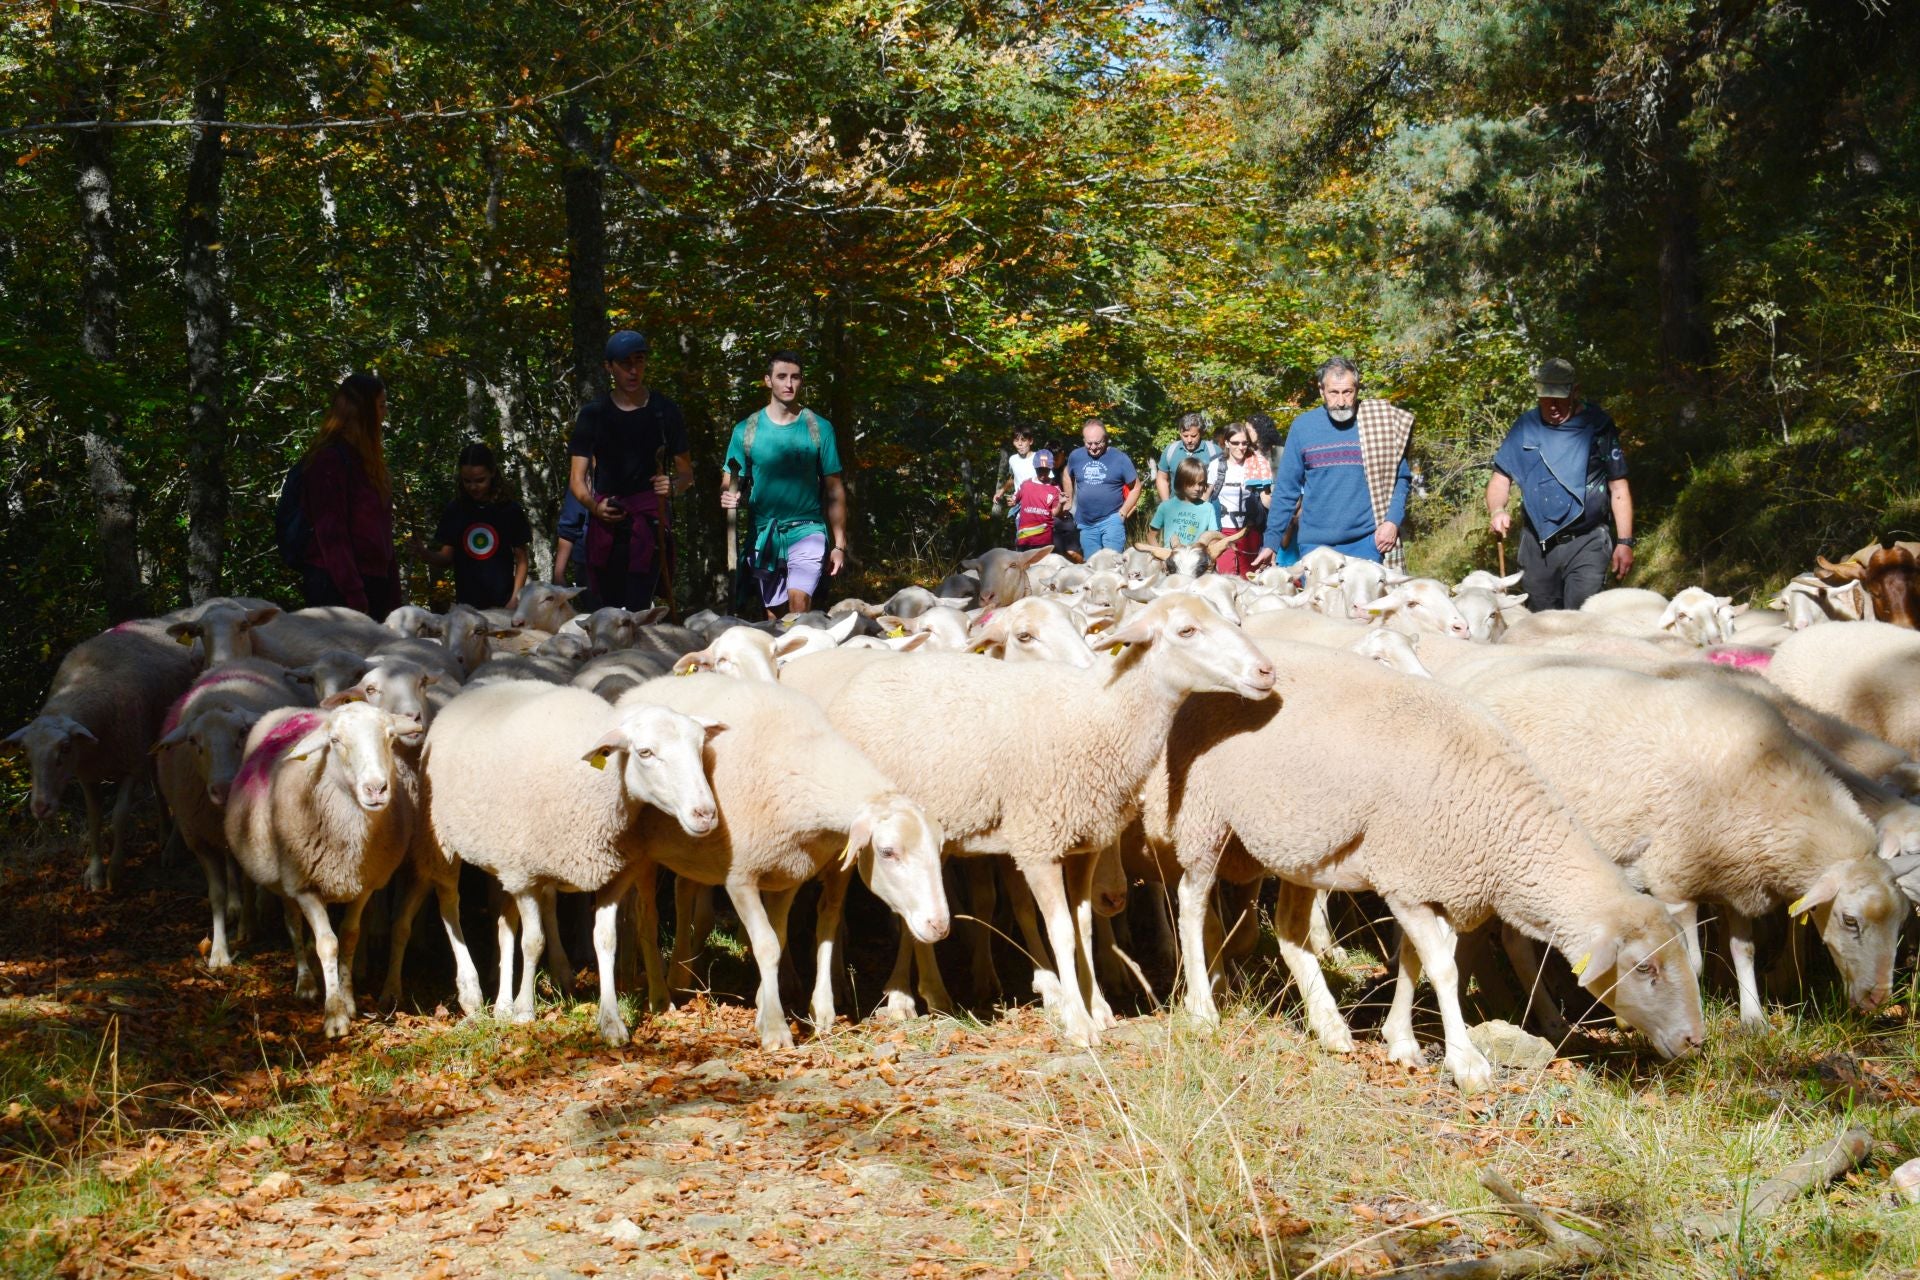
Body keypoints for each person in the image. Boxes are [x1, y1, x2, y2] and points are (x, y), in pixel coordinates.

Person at [1487, 357, 1632, 611]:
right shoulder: (1526, 426)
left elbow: (1618, 487)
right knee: (1542, 627)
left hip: (1587, 542)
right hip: (1538, 547)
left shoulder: (1597, 427)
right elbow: (1500, 479)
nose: (1552, 406)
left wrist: (1624, 542)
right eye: (1546, 398)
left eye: (1559, 398)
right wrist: (1497, 510)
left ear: (1575, 391)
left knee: (1582, 621)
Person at [568, 329, 693, 609]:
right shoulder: (593, 414)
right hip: (606, 522)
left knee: (638, 609)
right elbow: (577, 479)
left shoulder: (665, 411)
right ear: (609, 367)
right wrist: (595, 507)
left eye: (639, 361)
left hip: (649, 524)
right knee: (608, 612)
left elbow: (686, 474)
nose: (634, 370)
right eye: (625, 363)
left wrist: (672, 485)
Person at [720, 349, 848, 617]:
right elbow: (730, 481)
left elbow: (835, 489)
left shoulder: (819, 427)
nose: (789, 384)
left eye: (795, 377)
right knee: (775, 618)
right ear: (768, 380)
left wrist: (839, 545)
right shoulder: (746, 430)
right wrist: (729, 496)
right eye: (781, 377)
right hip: (764, 535)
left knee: (798, 606)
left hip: (807, 530)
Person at [1252, 356, 1412, 570]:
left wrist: (1392, 521)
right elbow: (1286, 490)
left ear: (1357, 389)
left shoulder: (1377, 423)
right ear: (1321, 391)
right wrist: (1271, 543)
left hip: (1368, 544)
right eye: (1333, 393)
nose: (1341, 401)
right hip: (1316, 549)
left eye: (1348, 392)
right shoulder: (1303, 427)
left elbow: (1401, 477)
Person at [298, 372, 399, 617]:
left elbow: (381, 531)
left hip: (372, 584)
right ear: (362, 411)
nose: (385, 413)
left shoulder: (369, 462)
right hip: (337, 588)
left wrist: (393, 593)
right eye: (381, 405)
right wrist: (354, 593)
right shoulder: (330, 460)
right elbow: (331, 534)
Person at [412, 441, 532, 610]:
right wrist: (425, 554)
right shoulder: (455, 510)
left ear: (493, 473)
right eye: (467, 481)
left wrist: (514, 600)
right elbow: (446, 558)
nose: (473, 487)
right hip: (467, 608)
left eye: (480, 480)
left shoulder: (509, 510)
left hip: (504, 605)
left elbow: (522, 560)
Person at [1062, 419, 1139, 557]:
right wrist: (1068, 500)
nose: (1093, 447)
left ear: (1106, 440)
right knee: (1092, 566)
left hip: (1112, 520)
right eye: (1088, 443)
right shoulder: (1076, 456)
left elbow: (1136, 487)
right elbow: (1067, 474)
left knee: (1113, 563)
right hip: (1086, 523)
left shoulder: (1119, 458)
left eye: (1097, 443)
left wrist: (1123, 512)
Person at [1206, 423, 1263, 576]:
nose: (1241, 447)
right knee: (1226, 577)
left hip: (1250, 531)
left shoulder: (1256, 464)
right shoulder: (1216, 466)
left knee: (1250, 578)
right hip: (1223, 530)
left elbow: (1265, 497)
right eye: (1235, 443)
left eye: (1244, 443)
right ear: (1226, 443)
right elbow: (1205, 498)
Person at [1149, 458, 1220, 547]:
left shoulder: (1208, 508)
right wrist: (1160, 557)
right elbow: (1151, 536)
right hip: (1171, 559)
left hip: (1195, 559)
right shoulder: (1166, 507)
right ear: (1181, 482)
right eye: (1192, 483)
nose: (1197, 488)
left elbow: (1213, 538)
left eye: (1201, 483)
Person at [1154, 411, 1222, 503]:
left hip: (1205, 509)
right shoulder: (1170, 450)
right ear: (1180, 433)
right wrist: (1166, 504)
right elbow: (1162, 478)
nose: (1189, 440)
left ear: (1201, 433)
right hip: (1176, 509)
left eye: (1193, 436)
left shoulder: (1214, 451)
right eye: (1185, 436)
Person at [1013, 449, 1063, 550]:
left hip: (1044, 539)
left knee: (1043, 565)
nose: (1043, 473)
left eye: (1046, 469)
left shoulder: (1055, 488)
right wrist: (1011, 500)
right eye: (1040, 469)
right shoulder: (1025, 484)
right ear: (1035, 467)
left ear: (1051, 468)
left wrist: (1061, 504)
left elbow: (1055, 513)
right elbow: (1014, 499)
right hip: (1024, 537)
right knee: (1023, 565)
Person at [992, 427, 1039, 527]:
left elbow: (1049, 482)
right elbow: (1014, 478)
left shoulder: (1039, 458)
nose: (1020, 444)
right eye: (1016, 440)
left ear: (1031, 441)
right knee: (1022, 539)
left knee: (1039, 540)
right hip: (1020, 509)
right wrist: (1001, 491)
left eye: (1023, 440)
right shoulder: (1012, 459)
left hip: (1039, 508)